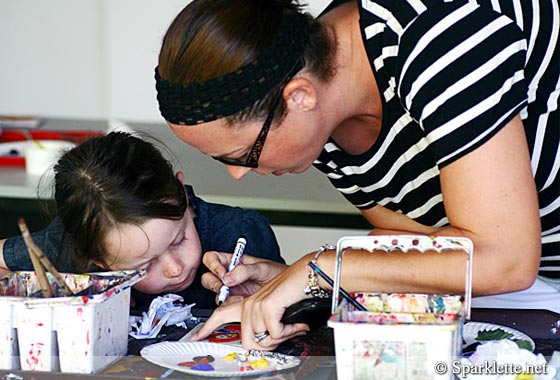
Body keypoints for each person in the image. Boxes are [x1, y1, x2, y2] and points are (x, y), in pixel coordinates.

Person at [154, 0, 559, 349]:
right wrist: (298, 284)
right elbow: (418, 243)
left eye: (244, 154)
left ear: (299, 97)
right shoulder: (322, 111)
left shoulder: (436, 35)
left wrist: (326, 269)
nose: (238, 175)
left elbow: (505, 261)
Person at [0, 131, 285, 311]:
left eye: (179, 239)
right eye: (145, 265)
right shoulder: (67, 250)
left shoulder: (240, 234)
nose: (175, 269)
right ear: (97, 259)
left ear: (181, 194)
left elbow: (304, 310)